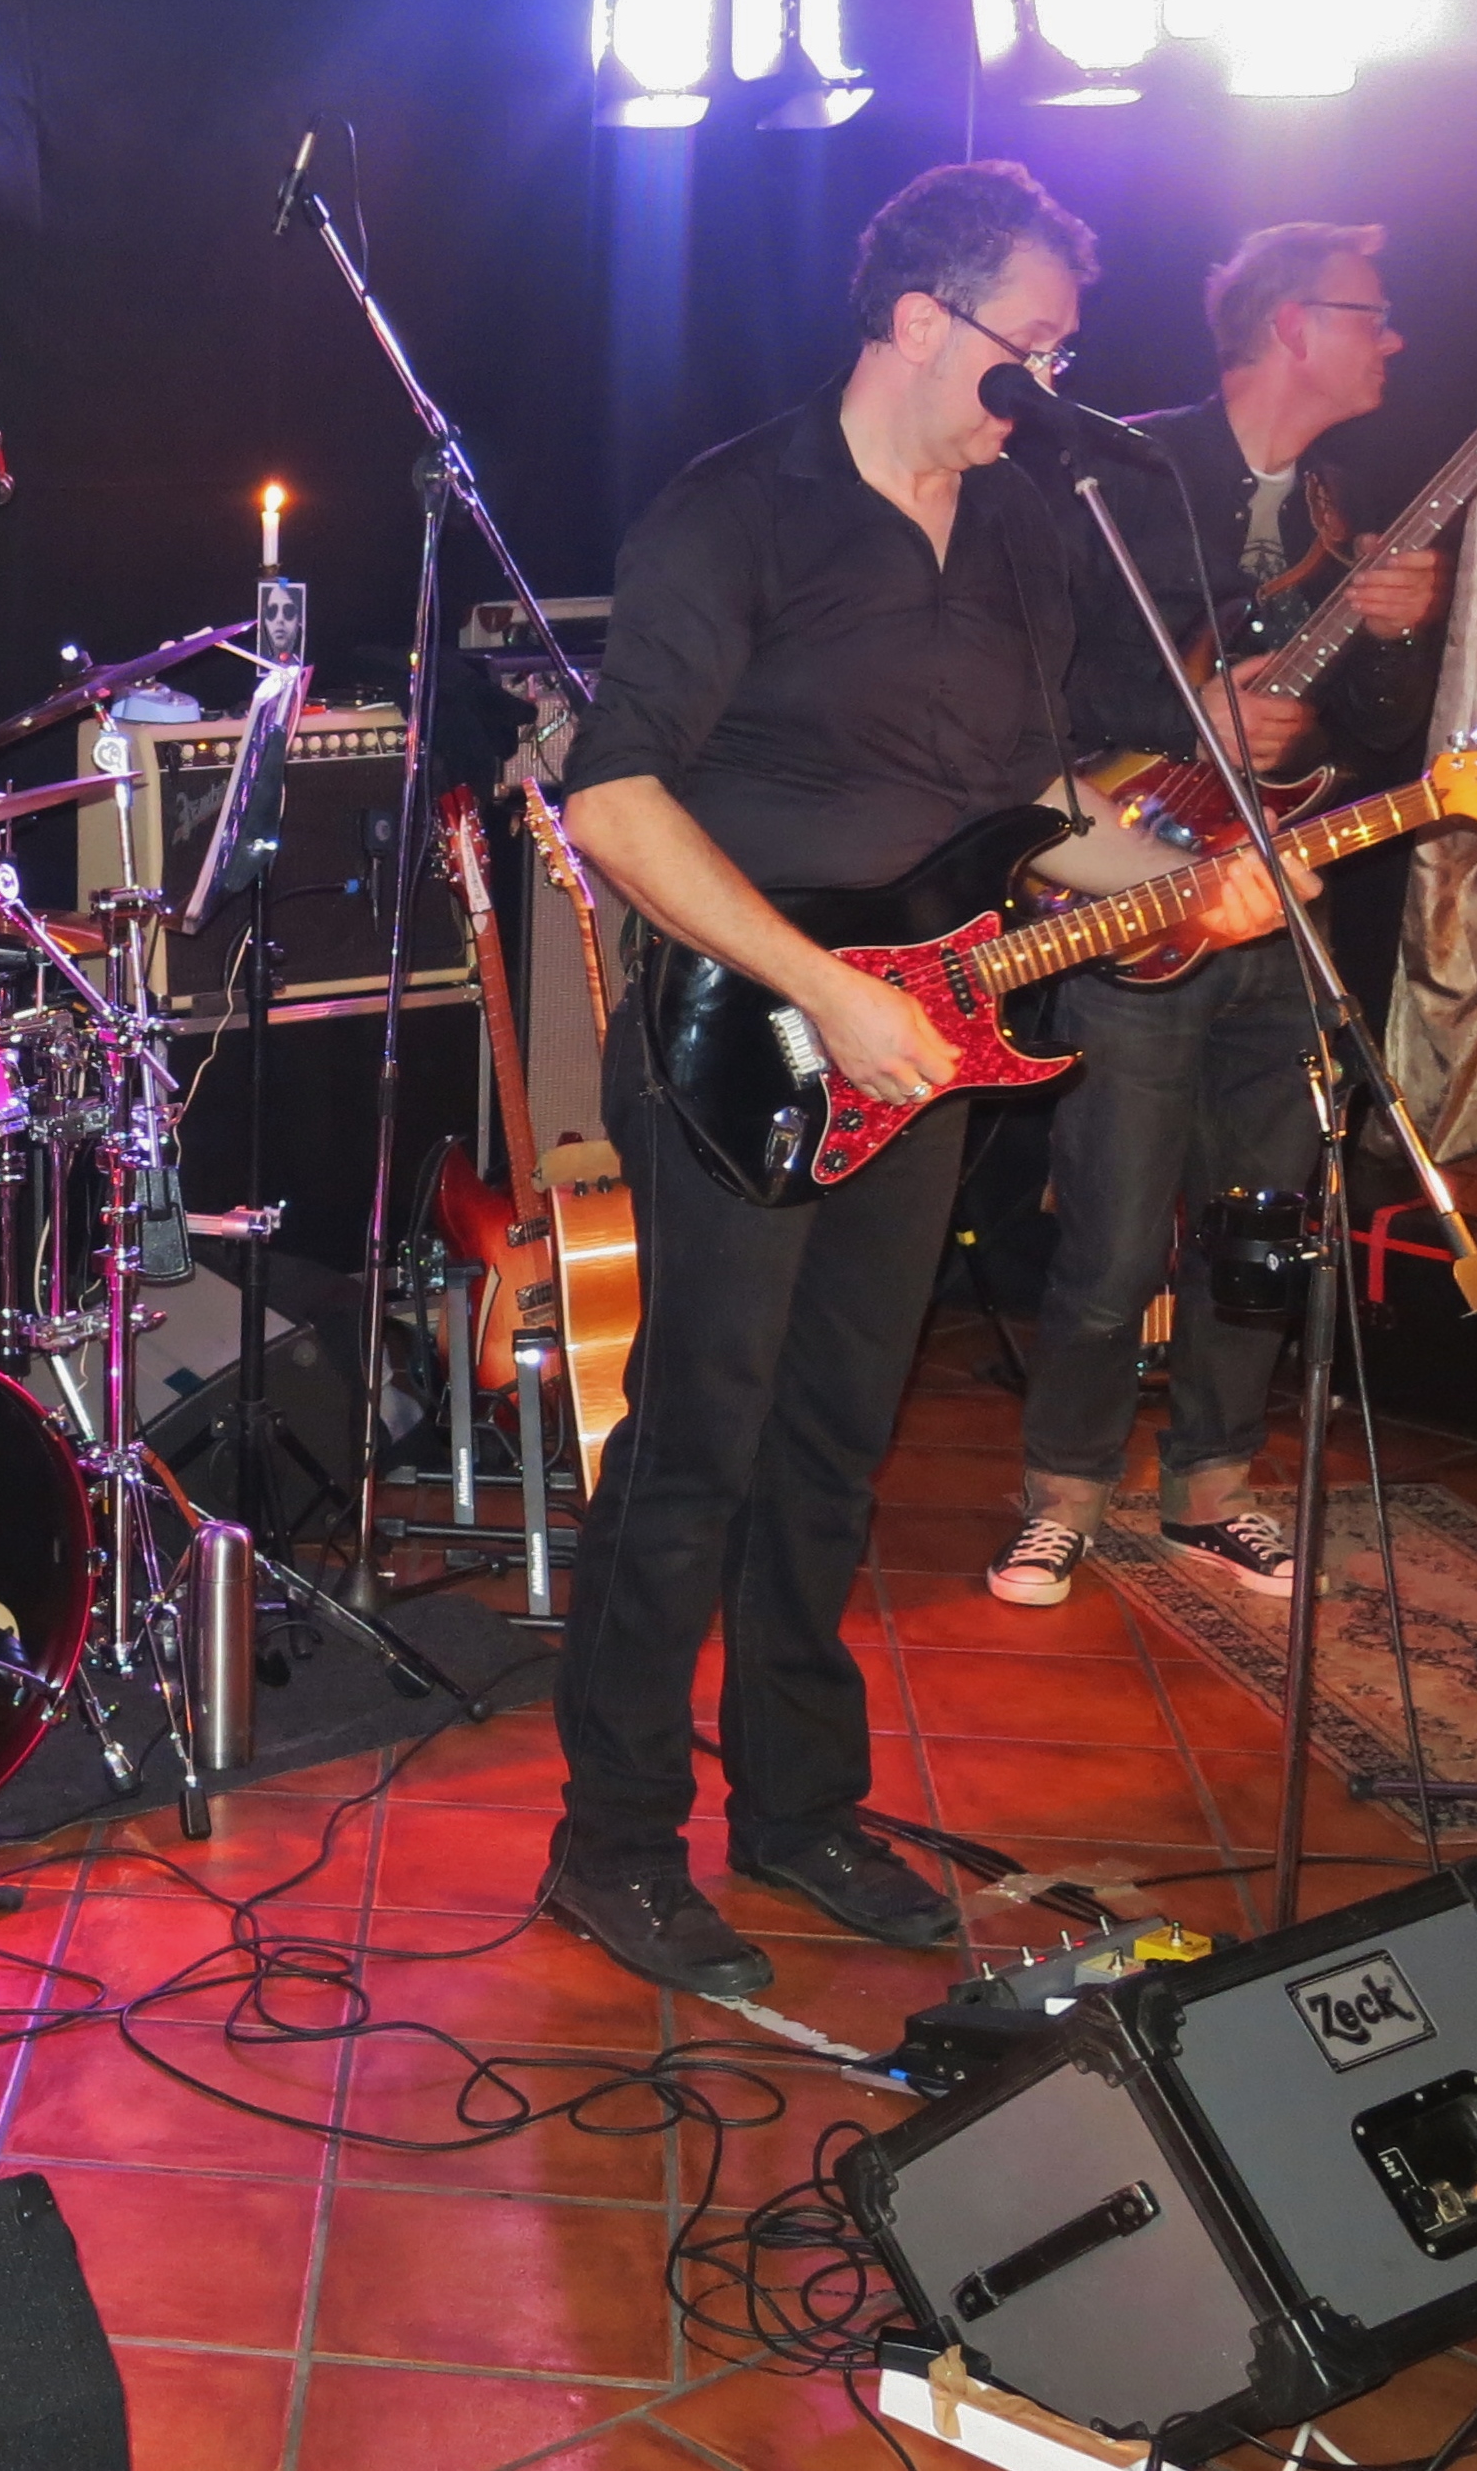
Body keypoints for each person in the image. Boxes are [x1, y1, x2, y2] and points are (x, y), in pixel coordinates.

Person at [544, 163, 1299, 1994]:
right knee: (698, 1435)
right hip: (743, 1032)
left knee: (831, 1435)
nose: (1045, 378)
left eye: (1061, 348)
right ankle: (612, 1840)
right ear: (913, 316)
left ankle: (797, 1806)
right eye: (1024, 341)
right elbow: (613, 798)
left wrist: (1186, 880)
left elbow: (1026, 805)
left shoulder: (1027, 525)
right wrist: (822, 987)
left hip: (930, 1037)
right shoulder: (739, 509)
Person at [987, 222, 1452, 1610]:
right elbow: (1026, 684)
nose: (1395, 337)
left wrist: (1398, 635)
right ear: (1291, 325)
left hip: (1286, 903)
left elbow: (1376, 732)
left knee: (1263, 1225)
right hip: (1131, 888)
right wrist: (1187, 711)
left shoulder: (1338, 507)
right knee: (1115, 1236)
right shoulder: (1117, 474)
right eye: (1371, 312)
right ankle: (1061, 1496)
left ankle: (1211, 1490)